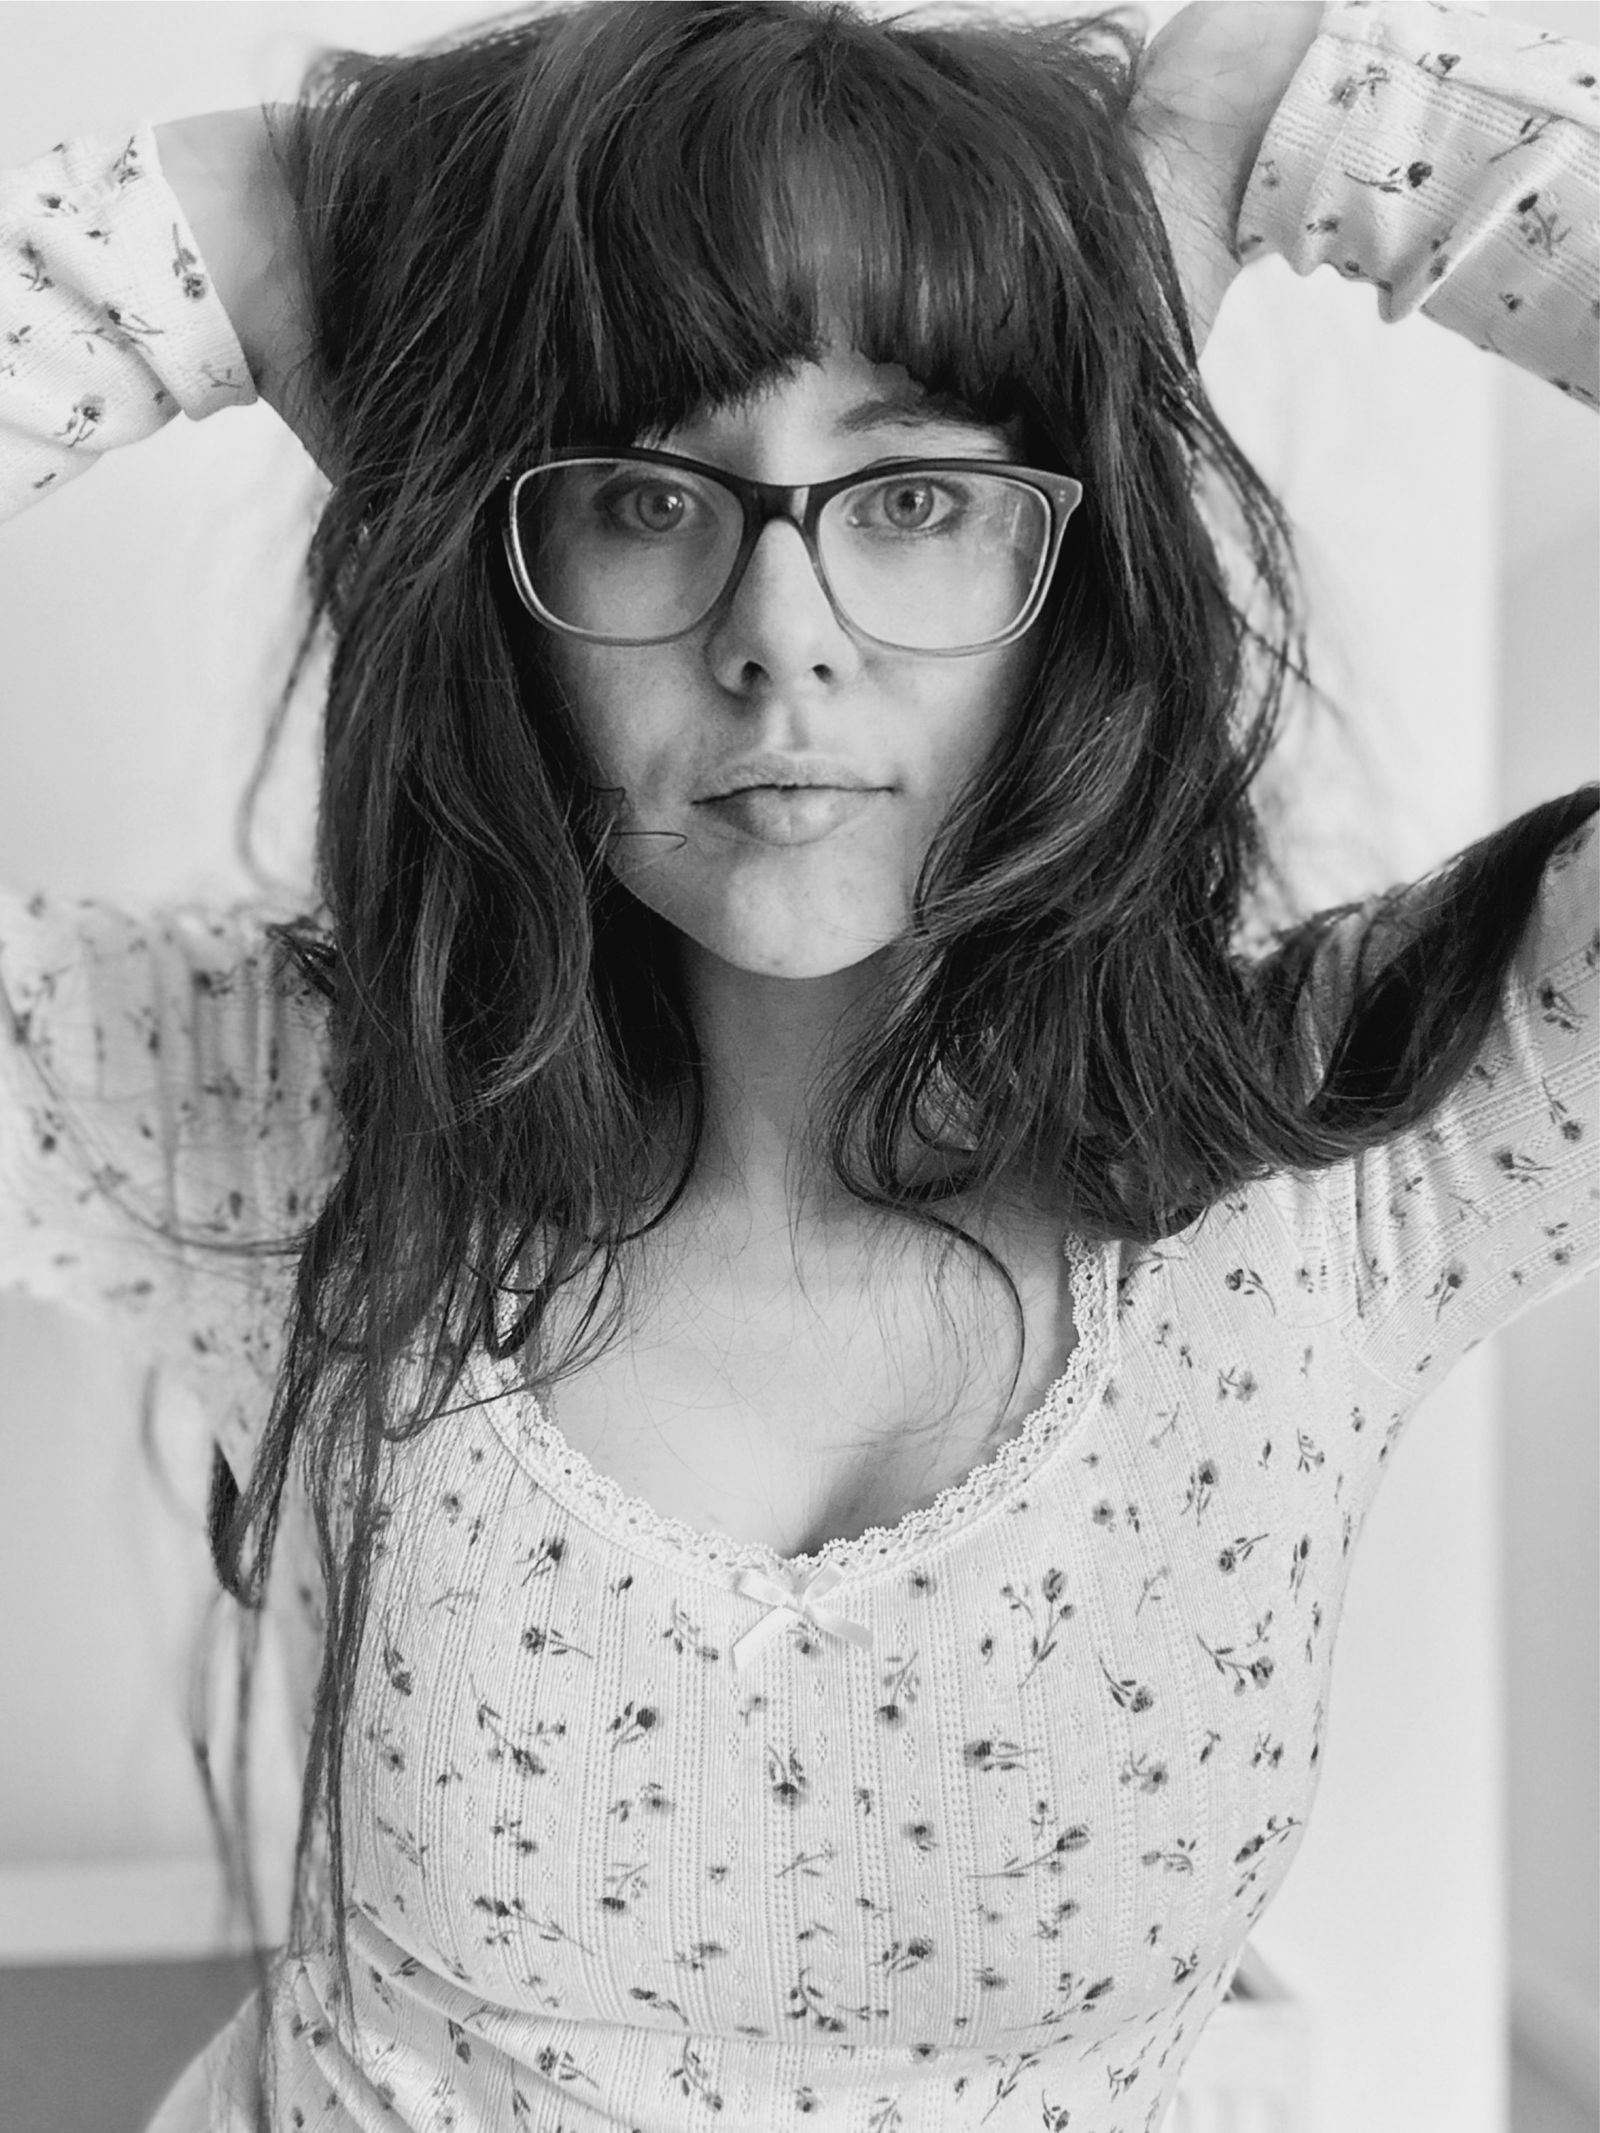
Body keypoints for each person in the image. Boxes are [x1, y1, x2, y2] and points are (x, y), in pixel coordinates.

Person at [0, 1, 1595, 2128]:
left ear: (1070, 554)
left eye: (914, 493)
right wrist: (225, 239)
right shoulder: (258, 1104)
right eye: (646, 494)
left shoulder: (1356, 1144)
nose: (784, 633)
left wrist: (1282, 133)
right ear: (504, 570)